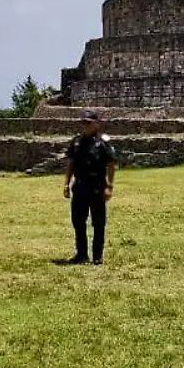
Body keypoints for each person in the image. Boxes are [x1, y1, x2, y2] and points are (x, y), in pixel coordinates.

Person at [63, 109, 116, 265]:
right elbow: (71, 164)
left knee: (98, 223)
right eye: (83, 122)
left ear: (96, 124)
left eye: (88, 122)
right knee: (78, 221)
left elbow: (112, 165)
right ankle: (81, 254)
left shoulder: (103, 143)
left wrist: (109, 186)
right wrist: (66, 183)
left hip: (97, 186)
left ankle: (97, 256)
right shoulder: (77, 142)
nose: (85, 125)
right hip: (80, 186)